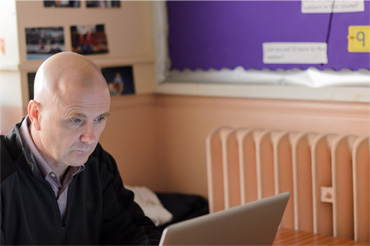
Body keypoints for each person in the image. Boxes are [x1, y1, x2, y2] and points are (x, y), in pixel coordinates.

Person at [0, 52, 162, 245]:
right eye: (76, 120)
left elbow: (134, 231)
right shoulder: (4, 172)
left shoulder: (98, 162)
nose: (90, 138)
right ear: (36, 114)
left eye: (99, 119)